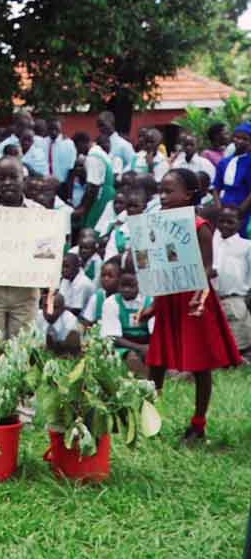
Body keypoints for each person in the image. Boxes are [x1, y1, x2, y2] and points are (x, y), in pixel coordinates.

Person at [140, 168, 243, 441]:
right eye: (160, 190)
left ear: (188, 195)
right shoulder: (158, 225)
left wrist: (197, 286)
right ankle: (149, 420)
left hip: (194, 300)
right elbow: (160, 265)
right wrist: (154, 303)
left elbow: (209, 268)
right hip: (169, 298)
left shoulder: (200, 228)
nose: (162, 196)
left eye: (169, 191)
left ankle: (198, 424)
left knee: (199, 364)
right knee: (157, 361)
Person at [0, 156, 43, 340]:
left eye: (13, 177)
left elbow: (47, 253)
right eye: (1, 178)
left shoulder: (39, 214)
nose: (7, 183)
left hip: (25, 292)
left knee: (22, 351)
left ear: (24, 179)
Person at [212, 205, 251, 354]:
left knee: (237, 344)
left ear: (240, 223)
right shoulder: (212, 243)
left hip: (234, 300)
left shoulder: (245, 246)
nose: (225, 225)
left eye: (230, 222)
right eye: (222, 221)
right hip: (213, 299)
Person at [102, 268, 154, 376]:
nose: (126, 290)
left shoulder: (150, 301)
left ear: (140, 286)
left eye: (131, 286)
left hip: (146, 343)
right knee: (132, 357)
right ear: (118, 286)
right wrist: (139, 348)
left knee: (156, 357)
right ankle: (147, 379)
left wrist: (149, 348)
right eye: (123, 286)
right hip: (122, 344)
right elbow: (113, 337)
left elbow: (155, 333)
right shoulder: (111, 302)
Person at [213, 123, 251, 238]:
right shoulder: (224, 162)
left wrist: (240, 211)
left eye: (245, 139)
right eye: (237, 137)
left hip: (245, 209)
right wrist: (219, 207)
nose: (239, 141)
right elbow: (216, 188)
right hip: (224, 209)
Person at [73, 132, 116, 231]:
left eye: (76, 147)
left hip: (101, 196)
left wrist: (83, 208)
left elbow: (92, 186)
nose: (77, 151)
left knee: (92, 227)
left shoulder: (93, 156)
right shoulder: (100, 152)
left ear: (81, 143)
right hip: (108, 193)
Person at [80, 257, 121, 327]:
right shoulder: (97, 297)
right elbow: (87, 322)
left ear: (119, 278)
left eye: (110, 276)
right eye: (103, 275)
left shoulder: (124, 297)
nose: (106, 279)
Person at [58, 253, 95, 317]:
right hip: (67, 314)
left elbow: (76, 311)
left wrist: (57, 307)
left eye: (67, 266)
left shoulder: (83, 283)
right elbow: (61, 301)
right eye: (62, 266)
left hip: (83, 319)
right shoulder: (66, 278)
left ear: (76, 267)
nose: (63, 270)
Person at [45, 119, 77, 186]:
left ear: (60, 129)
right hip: (46, 183)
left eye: (56, 129)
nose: (53, 132)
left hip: (62, 183)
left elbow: (71, 167)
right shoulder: (43, 142)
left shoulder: (68, 144)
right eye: (50, 129)